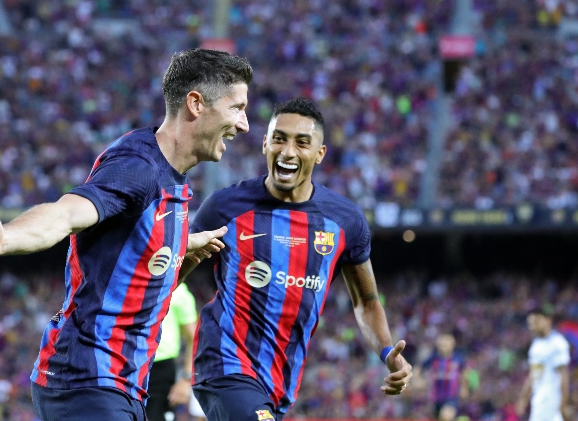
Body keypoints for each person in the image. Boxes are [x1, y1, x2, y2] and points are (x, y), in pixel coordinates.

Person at [0, 48, 253, 421]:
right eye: (237, 108)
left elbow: (133, 270)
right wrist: (7, 238)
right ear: (196, 104)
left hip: (118, 386)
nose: (243, 124)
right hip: (87, 379)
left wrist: (178, 253)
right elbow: (65, 214)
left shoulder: (171, 180)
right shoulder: (138, 168)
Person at [180, 98, 413, 420]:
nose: (288, 151)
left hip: (280, 383)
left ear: (319, 153)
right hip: (223, 364)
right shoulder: (226, 207)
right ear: (265, 144)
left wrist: (387, 352)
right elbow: (173, 275)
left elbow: (367, 301)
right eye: (279, 138)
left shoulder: (344, 220)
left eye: (302, 143)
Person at [146, 282, 197, 421]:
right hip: (130, 363)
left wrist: (186, 380)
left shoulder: (178, 292)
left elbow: (195, 338)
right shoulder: (133, 284)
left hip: (161, 369)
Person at [516, 307, 572, 421]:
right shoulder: (536, 345)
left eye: (536, 321)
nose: (533, 326)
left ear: (548, 320)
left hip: (551, 398)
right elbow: (535, 374)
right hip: (539, 398)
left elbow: (564, 375)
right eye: (530, 323)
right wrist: (523, 397)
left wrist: (564, 404)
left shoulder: (557, 343)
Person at [414, 333, 469, 421]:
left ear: (452, 345)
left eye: (445, 345)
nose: (443, 347)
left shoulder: (458, 358)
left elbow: (464, 372)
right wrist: (418, 380)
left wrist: (464, 387)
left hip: (451, 396)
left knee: (446, 416)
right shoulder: (433, 358)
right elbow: (418, 368)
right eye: (441, 345)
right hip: (435, 396)